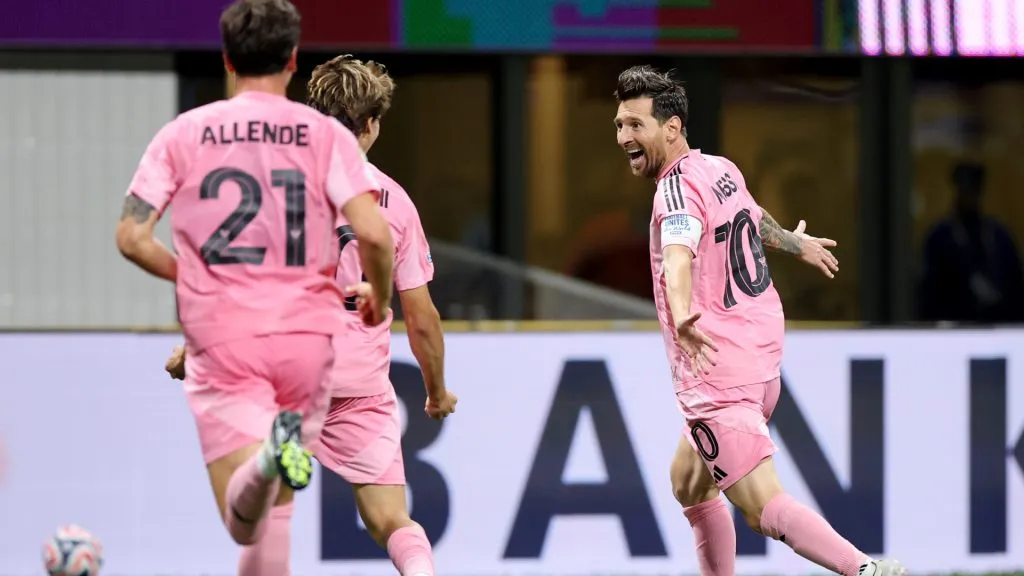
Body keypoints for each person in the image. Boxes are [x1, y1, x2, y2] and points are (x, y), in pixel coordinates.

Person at [116, 0, 394, 556]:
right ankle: (275, 456)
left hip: (226, 339)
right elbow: (377, 237)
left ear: (227, 59)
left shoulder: (184, 134)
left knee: (246, 524)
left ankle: (270, 457)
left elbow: (132, 236)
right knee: (273, 530)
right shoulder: (325, 136)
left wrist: (194, 278)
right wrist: (378, 300)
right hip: (306, 343)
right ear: (293, 60)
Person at [165, 55, 456, 576]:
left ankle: (270, 460)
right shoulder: (395, 202)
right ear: (370, 125)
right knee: (392, 521)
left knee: (254, 516)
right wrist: (435, 390)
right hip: (358, 385)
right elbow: (422, 318)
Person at [612, 65, 905, 576]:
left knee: (762, 508)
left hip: (716, 376)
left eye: (636, 125)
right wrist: (798, 243)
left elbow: (677, 256)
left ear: (673, 128)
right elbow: (753, 215)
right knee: (688, 481)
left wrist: (681, 313)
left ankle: (865, 570)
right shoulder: (720, 169)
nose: (624, 137)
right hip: (759, 368)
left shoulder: (674, 191)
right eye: (619, 125)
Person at [919, 161, 1024, 323]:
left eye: (972, 192)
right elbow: (929, 295)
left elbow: (1016, 287)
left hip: (999, 325)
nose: (968, 198)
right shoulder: (940, 238)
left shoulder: (998, 236)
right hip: (955, 327)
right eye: (964, 191)